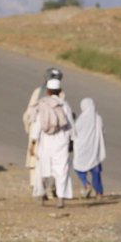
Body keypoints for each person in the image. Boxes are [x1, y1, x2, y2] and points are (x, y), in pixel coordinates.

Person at [29, 78, 74, 208]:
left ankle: (40, 196)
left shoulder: (42, 104)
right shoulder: (64, 105)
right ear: (60, 91)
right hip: (61, 143)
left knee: (42, 169)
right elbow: (71, 126)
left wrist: (33, 144)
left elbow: (36, 126)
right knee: (62, 171)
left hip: (46, 143)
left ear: (48, 91)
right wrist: (72, 142)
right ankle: (60, 199)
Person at [23, 68, 65, 195]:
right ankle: (51, 189)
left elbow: (28, 113)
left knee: (35, 158)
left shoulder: (37, 91)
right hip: (53, 132)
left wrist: (28, 128)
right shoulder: (61, 94)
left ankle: (35, 186)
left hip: (36, 128)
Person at [73, 98, 106, 199]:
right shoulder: (98, 118)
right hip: (94, 149)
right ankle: (99, 193)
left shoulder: (80, 120)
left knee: (78, 167)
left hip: (82, 149)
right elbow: (102, 130)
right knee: (96, 172)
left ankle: (86, 184)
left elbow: (74, 133)